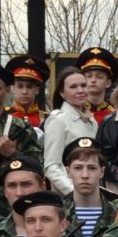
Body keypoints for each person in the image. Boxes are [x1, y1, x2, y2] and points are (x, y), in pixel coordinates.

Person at [41, 68, 101, 197]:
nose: (80, 90)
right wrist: (73, 192)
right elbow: (51, 167)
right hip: (67, 197)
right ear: (62, 93)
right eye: (73, 87)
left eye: (83, 85)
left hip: (92, 194)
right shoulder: (58, 120)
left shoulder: (92, 121)